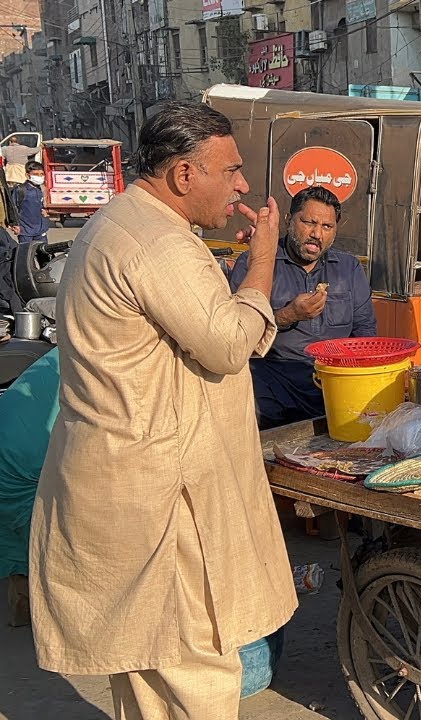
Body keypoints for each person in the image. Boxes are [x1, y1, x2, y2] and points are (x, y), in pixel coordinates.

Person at [28, 101, 295, 719]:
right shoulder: (157, 243)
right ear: (183, 175)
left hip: (126, 478)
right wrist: (261, 262)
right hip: (161, 494)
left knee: (150, 666)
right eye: (229, 171)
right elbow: (228, 343)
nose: (242, 186)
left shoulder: (124, 223)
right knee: (192, 658)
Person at [230, 185, 377, 429]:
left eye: (327, 227)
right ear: (289, 219)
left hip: (333, 384)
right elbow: (236, 333)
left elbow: (364, 332)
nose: (317, 234)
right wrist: (288, 315)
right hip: (273, 383)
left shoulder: (348, 268)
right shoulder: (257, 261)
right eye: (309, 222)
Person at [0, 347, 60, 628]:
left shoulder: (61, 353)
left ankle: (23, 604)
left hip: (8, 437)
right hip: (28, 455)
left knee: (14, 530)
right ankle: (55, 618)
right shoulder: (100, 357)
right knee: (49, 531)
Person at [7, 161, 49, 243]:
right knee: (26, 253)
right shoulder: (20, 190)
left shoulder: (42, 189)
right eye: (36, 174)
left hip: (41, 230)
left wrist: (46, 212)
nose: (40, 176)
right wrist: (14, 224)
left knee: (43, 253)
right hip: (25, 231)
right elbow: (12, 207)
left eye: (42, 174)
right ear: (27, 175)